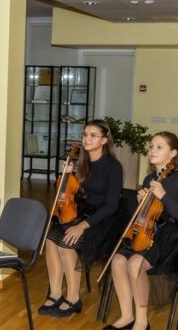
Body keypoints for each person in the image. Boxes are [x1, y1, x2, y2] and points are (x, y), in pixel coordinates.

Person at [103, 132, 178, 330]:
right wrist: (140, 204)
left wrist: (164, 196)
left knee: (135, 263)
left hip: (173, 235)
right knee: (118, 261)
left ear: (173, 153)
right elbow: (148, 216)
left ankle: (141, 322)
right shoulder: (148, 179)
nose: (152, 150)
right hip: (148, 232)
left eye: (159, 147)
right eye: (151, 146)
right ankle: (127, 316)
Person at [40, 119, 124, 317]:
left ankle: (73, 298)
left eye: (93, 135)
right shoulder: (82, 164)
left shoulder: (113, 166)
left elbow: (111, 205)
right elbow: (73, 194)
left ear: (104, 140)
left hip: (104, 218)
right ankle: (54, 293)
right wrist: (67, 177)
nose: (87, 139)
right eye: (85, 134)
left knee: (67, 242)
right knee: (52, 240)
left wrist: (83, 226)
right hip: (82, 211)